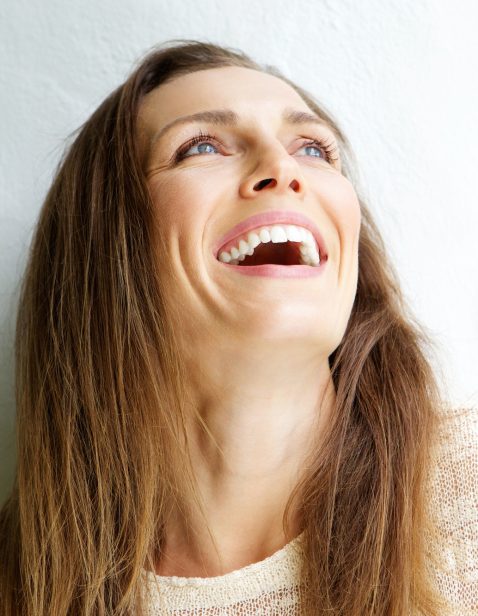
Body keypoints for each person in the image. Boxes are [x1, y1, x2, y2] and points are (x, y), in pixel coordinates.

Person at [0, 40, 476, 616]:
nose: (282, 169)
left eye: (313, 149)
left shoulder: (463, 492)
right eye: (201, 145)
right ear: (110, 250)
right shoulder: (18, 580)